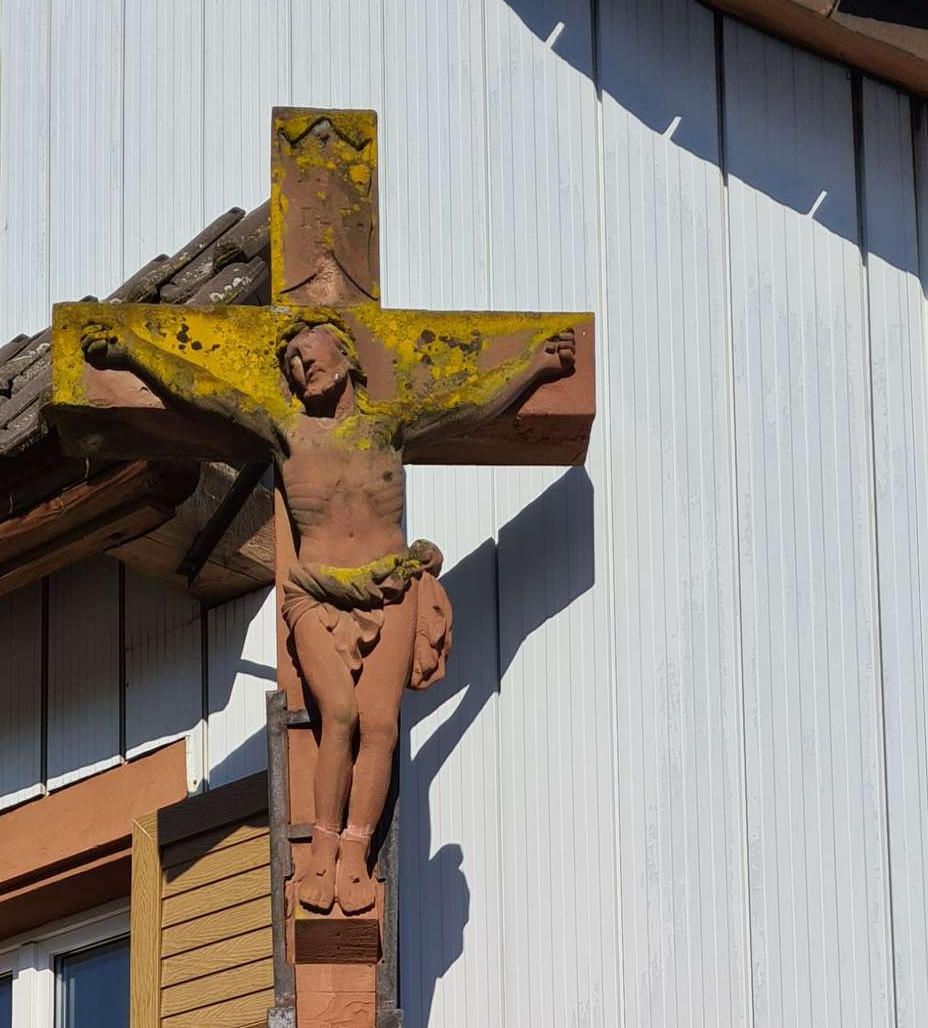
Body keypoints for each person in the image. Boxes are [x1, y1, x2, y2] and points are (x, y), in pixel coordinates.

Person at [75, 308, 577, 914]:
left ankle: (355, 856)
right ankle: (321, 851)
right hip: (314, 593)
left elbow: (468, 404)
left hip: (391, 588)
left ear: (345, 356)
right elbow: (206, 392)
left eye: (308, 351)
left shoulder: (389, 426)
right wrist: (132, 352)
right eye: (291, 360)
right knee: (337, 715)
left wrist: (533, 365)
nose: (300, 364)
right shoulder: (286, 430)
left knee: (381, 726)